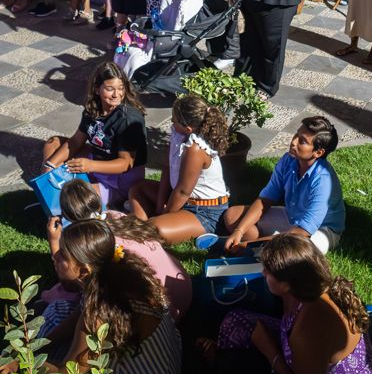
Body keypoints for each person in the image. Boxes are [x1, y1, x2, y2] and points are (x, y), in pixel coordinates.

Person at [209, 234, 372, 374]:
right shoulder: (308, 290)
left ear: (287, 284)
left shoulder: (309, 329)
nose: (263, 273)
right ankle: (229, 369)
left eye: (268, 272)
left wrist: (271, 353)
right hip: (308, 366)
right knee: (236, 322)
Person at [29, 220, 179, 374]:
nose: (55, 256)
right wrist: (38, 347)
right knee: (59, 309)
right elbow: (77, 316)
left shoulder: (98, 314)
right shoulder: (115, 275)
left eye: (63, 254)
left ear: (83, 271)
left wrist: (26, 364)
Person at [40, 179, 192, 327]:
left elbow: (71, 282)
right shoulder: (114, 215)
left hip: (160, 317)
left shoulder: (90, 244)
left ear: (67, 216)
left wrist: (54, 241)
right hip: (182, 290)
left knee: (68, 296)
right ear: (97, 201)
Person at [224, 117, 345, 254]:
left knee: (294, 249)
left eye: (302, 141)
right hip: (292, 216)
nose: (293, 142)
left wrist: (249, 245)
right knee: (232, 215)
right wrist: (238, 231)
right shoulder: (288, 160)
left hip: (319, 231)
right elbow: (266, 199)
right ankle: (260, 247)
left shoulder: (323, 181)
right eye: (296, 135)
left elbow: (304, 230)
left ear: (318, 152)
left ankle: (259, 248)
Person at [43, 61, 149, 212]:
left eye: (120, 89)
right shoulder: (93, 109)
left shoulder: (129, 119)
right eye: (109, 89)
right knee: (52, 144)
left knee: (77, 199)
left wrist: (89, 166)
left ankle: (113, 199)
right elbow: (75, 141)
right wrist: (50, 165)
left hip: (119, 180)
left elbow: (126, 164)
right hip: (97, 162)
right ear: (97, 89)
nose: (116, 94)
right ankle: (51, 190)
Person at [127, 94, 230, 244]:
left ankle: (145, 230)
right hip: (182, 200)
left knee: (156, 228)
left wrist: (166, 214)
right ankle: (140, 228)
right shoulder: (178, 135)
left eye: (174, 121)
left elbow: (183, 192)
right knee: (138, 190)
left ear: (188, 128)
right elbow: (167, 168)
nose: (171, 123)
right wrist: (159, 204)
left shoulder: (195, 149)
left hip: (204, 212)